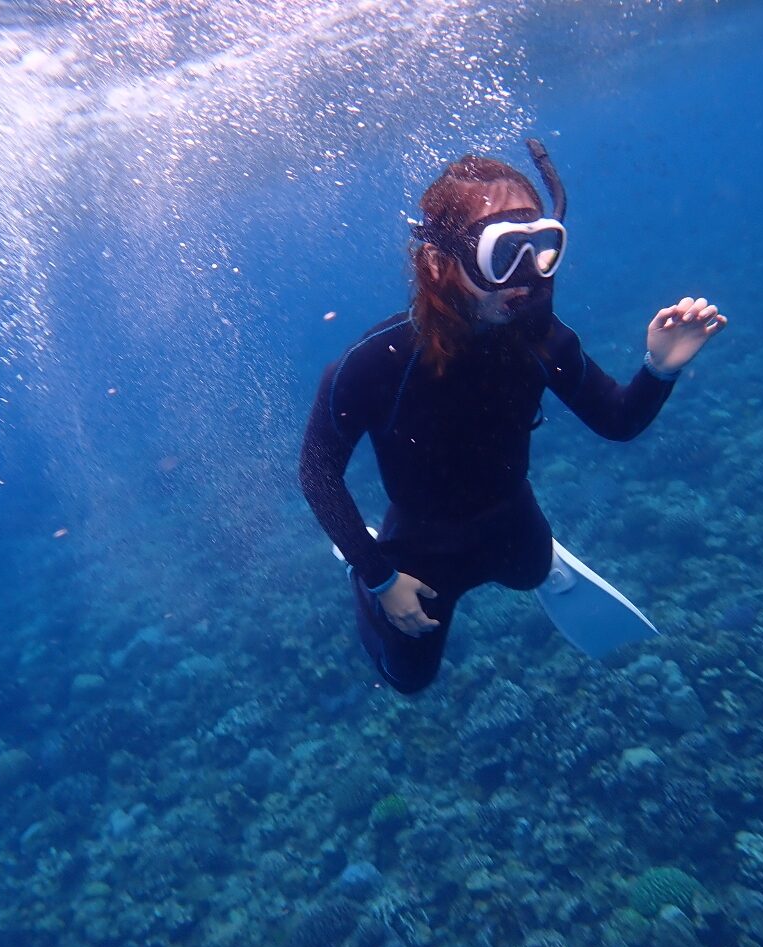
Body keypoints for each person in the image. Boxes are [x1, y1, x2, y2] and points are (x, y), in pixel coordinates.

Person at [298, 141, 726, 695]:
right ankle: (358, 565)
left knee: (528, 571)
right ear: (438, 261)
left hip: (508, 510)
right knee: (407, 678)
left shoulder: (542, 338)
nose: (526, 274)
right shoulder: (377, 362)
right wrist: (378, 576)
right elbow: (317, 473)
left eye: (539, 247)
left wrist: (659, 368)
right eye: (502, 253)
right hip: (421, 542)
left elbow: (616, 421)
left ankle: (527, 559)